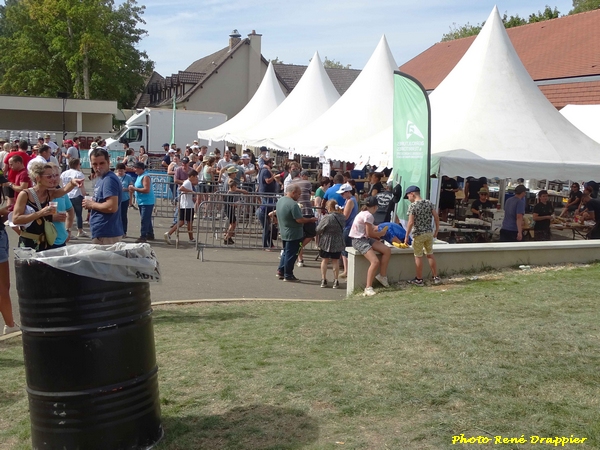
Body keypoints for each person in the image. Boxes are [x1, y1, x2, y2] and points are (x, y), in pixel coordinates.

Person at [12, 162, 81, 251]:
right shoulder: (25, 194)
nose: (53, 179)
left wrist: (72, 183)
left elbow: (64, 190)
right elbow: (16, 219)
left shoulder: (50, 193)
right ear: (38, 178)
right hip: (28, 243)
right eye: (49, 176)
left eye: (54, 175)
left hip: (45, 243)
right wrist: (41, 213)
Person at [348, 196, 391, 296]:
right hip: (359, 240)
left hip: (363, 238)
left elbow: (369, 229)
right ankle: (368, 287)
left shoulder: (363, 213)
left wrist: (377, 230)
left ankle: (382, 276)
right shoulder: (369, 216)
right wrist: (381, 234)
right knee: (375, 262)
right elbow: (369, 233)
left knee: (386, 250)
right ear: (375, 207)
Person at [275, 184, 317, 282]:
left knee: (286, 252)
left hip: (284, 231)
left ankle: (281, 270)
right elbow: (299, 219)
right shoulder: (293, 205)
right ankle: (288, 274)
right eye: (298, 194)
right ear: (293, 192)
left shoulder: (280, 201)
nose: (299, 196)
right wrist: (310, 220)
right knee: (291, 254)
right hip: (294, 233)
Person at [83, 149, 123, 245]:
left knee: (103, 260)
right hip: (102, 232)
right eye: (95, 164)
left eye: (102, 163)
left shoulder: (109, 180)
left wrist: (92, 204)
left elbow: (111, 206)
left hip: (106, 233)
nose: (98, 167)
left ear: (108, 162)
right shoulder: (102, 178)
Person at [404, 185, 441, 286]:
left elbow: (411, 222)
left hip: (419, 234)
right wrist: (436, 230)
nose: (408, 198)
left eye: (408, 196)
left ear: (412, 194)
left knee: (418, 256)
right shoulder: (428, 203)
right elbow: (436, 217)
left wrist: (406, 236)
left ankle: (419, 279)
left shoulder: (413, 206)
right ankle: (435, 277)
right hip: (429, 232)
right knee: (430, 254)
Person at [0, 188, 18, 334]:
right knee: (2, 287)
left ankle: (9, 324)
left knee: (5, 285)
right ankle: (10, 325)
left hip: (2, 234)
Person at [316, 200, 346, 288]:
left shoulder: (327, 218)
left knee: (324, 260)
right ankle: (336, 280)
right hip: (338, 240)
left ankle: (323, 280)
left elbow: (318, 229)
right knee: (335, 261)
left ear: (329, 208)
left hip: (326, 240)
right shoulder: (342, 217)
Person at [165, 169, 199, 244]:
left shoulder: (188, 183)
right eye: (196, 176)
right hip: (187, 206)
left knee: (182, 221)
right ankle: (191, 238)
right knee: (189, 222)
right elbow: (181, 188)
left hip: (185, 205)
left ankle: (169, 233)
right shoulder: (187, 182)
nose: (196, 178)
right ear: (192, 176)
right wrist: (191, 191)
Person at [48, 164, 74, 249]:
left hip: (61, 239)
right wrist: (51, 218)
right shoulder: (40, 193)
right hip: (46, 239)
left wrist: (68, 229)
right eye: (50, 176)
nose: (54, 178)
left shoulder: (62, 194)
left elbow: (70, 210)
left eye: (56, 175)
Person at [60, 158, 88, 239]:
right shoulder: (79, 174)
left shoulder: (64, 173)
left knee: (68, 214)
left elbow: (62, 185)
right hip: (77, 194)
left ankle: (68, 230)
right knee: (79, 214)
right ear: (77, 165)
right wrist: (84, 194)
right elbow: (81, 186)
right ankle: (80, 231)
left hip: (67, 194)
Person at [128, 162, 155, 243]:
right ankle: (150, 234)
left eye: (135, 168)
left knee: (144, 219)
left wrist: (135, 189)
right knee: (146, 219)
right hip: (142, 201)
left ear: (140, 168)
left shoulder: (145, 176)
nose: (134, 170)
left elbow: (146, 189)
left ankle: (143, 236)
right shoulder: (139, 176)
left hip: (147, 201)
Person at [257, 158, 280, 250]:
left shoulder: (263, 170)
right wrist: (273, 177)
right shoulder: (265, 171)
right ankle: (265, 245)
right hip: (266, 196)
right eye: (271, 163)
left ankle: (270, 244)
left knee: (268, 227)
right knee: (266, 228)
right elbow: (267, 181)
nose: (272, 165)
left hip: (266, 199)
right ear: (268, 163)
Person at [337, 183, 358, 279]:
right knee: (344, 249)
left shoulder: (350, 201)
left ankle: (348, 272)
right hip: (349, 227)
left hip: (348, 227)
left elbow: (345, 217)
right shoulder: (350, 200)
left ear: (348, 192)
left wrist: (338, 212)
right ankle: (346, 271)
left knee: (346, 249)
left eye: (343, 193)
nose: (341, 195)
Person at [223, 179, 248, 245]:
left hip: (230, 209)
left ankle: (229, 236)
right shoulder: (230, 194)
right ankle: (226, 237)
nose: (236, 188)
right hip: (229, 210)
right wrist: (237, 203)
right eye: (235, 186)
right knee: (232, 224)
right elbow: (230, 203)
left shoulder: (231, 192)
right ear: (233, 187)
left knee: (233, 223)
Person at [115, 163, 134, 238]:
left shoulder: (128, 177)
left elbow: (131, 188)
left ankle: (124, 231)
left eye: (122, 171)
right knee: (115, 215)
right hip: (115, 199)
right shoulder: (114, 176)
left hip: (125, 199)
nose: (120, 172)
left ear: (124, 170)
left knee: (123, 215)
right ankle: (116, 231)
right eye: (119, 170)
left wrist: (130, 200)